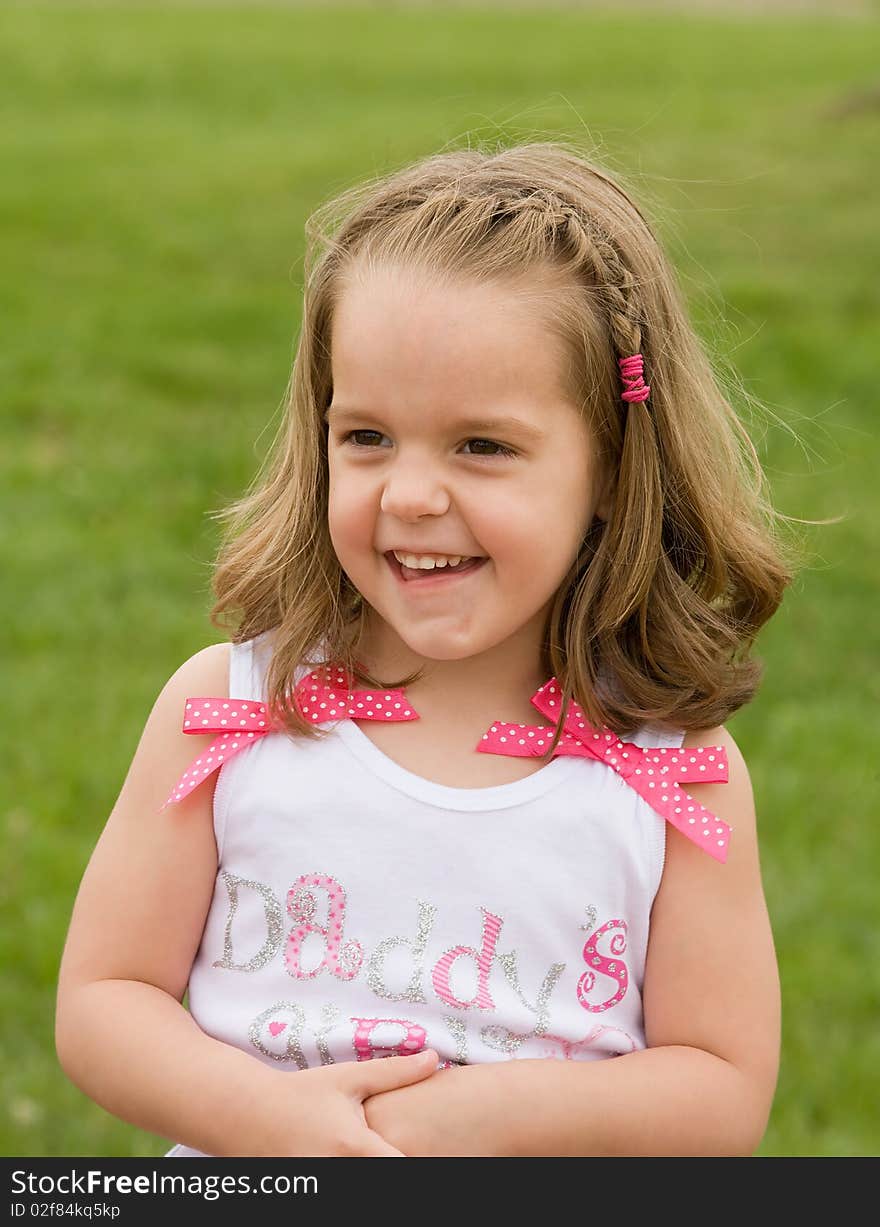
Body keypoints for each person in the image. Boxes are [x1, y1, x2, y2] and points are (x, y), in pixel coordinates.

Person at [55, 140, 798, 1158]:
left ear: (614, 472)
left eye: (481, 446)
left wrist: (480, 1121)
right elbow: (105, 999)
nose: (409, 495)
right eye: (364, 437)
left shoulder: (670, 774)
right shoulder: (235, 713)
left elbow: (719, 1090)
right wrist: (271, 1121)